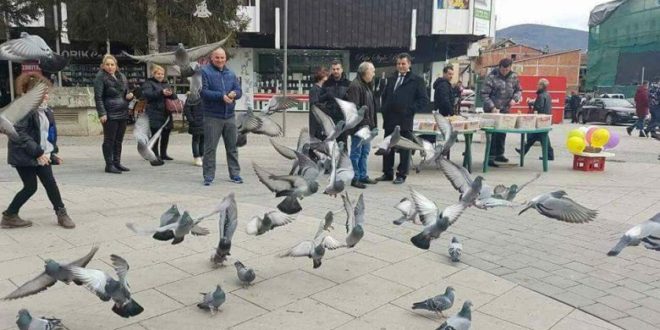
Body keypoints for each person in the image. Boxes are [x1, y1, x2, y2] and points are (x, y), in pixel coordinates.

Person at [2, 78, 74, 229]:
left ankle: (61, 213)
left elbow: (48, 135)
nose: (46, 96)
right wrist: (38, 152)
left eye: (46, 93)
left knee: (50, 183)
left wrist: (52, 153)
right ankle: (10, 215)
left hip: (39, 154)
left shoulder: (46, 110)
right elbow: (19, 134)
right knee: (30, 187)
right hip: (23, 155)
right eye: (42, 93)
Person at [377, 53, 429, 185]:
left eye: (403, 64)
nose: (400, 66)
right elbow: (385, 96)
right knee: (388, 146)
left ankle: (401, 174)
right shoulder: (391, 79)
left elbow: (423, 100)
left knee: (404, 148)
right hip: (390, 119)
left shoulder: (417, 81)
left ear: (409, 64)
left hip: (405, 120)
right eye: (399, 64)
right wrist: (384, 109)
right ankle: (387, 173)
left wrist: (410, 110)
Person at [200, 48, 242, 186]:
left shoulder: (231, 73)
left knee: (232, 148)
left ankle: (235, 174)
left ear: (226, 58)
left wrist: (235, 93)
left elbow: (239, 90)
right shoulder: (205, 71)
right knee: (210, 148)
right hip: (212, 116)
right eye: (217, 57)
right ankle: (208, 176)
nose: (220, 60)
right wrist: (221, 96)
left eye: (222, 57)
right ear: (212, 58)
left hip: (229, 116)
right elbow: (204, 92)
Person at [94, 54, 134, 174]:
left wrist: (129, 97)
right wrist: (102, 113)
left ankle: (117, 162)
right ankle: (109, 164)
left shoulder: (121, 76)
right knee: (109, 140)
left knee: (119, 140)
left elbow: (125, 93)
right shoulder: (100, 77)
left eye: (112, 64)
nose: (110, 67)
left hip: (122, 111)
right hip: (110, 111)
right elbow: (98, 97)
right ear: (103, 65)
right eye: (108, 64)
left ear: (116, 66)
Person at [480, 58, 522, 167]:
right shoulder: (491, 77)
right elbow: (484, 94)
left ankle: (500, 154)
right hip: (492, 110)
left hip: (505, 109)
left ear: (510, 68)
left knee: (502, 133)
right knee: (493, 134)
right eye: (503, 69)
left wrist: (515, 99)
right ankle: (490, 157)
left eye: (507, 69)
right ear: (499, 67)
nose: (504, 71)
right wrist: (492, 107)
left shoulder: (514, 76)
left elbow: (518, 90)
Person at [346, 61, 378, 189]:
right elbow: (355, 109)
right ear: (365, 71)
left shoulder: (366, 85)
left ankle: (363, 175)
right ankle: (355, 178)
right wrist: (363, 126)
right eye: (373, 71)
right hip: (359, 128)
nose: (374, 73)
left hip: (367, 127)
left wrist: (373, 125)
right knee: (356, 153)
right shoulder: (355, 86)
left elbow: (372, 108)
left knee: (365, 152)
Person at [141, 64, 178, 166]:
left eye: (162, 74)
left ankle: (163, 153)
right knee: (155, 135)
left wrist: (171, 93)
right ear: (154, 74)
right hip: (154, 112)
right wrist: (161, 92)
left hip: (166, 113)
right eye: (158, 74)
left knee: (166, 134)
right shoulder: (148, 83)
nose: (160, 76)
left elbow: (174, 97)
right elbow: (148, 95)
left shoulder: (166, 83)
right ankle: (154, 155)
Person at [516, 78, 554, 160]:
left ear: (541, 86)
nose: (537, 86)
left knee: (539, 136)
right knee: (537, 137)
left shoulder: (541, 95)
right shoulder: (547, 94)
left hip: (540, 119)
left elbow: (538, 108)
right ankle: (523, 151)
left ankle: (549, 155)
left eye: (538, 84)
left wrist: (533, 108)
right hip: (545, 118)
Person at [322, 60, 351, 145]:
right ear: (331, 70)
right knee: (329, 146)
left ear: (342, 69)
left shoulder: (348, 84)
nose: (336, 71)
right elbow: (320, 100)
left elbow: (353, 102)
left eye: (338, 69)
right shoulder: (326, 84)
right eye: (334, 69)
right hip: (329, 120)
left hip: (343, 120)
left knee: (343, 146)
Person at [183, 92, 204, 167]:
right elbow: (187, 109)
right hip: (196, 122)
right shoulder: (192, 96)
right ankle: (197, 157)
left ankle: (202, 156)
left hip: (205, 122)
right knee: (196, 140)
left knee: (203, 140)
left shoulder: (206, 94)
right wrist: (191, 120)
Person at [309, 66, 329, 141]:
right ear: (322, 77)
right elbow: (315, 105)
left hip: (323, 120)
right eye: (326, 76)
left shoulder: (324, 89)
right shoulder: (314, 89)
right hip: (316, 122)